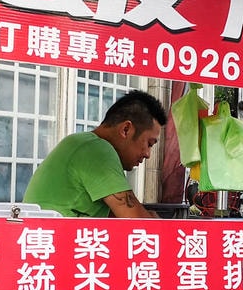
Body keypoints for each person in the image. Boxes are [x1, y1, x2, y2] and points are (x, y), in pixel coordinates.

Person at [24, 89, 166, 218]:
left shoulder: (81, 142)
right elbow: (140, 223)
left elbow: (117, 216)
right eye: (149, 144)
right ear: (126, 129)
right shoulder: (98, 150)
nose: (148, 154)